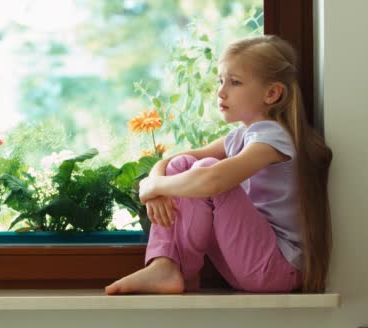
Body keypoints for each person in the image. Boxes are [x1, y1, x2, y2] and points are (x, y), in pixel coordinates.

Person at [105, 35, 333, 295]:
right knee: (184, 163)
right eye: (220, 81)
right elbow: (171, 162)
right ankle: (168, 266)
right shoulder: (239, 137)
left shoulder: (274, 137)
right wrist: (153, 185)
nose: (221, 91)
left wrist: (156, 186)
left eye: (234, 82)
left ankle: (170, 268)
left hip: (276, 269)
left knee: (207, 169)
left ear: (272, 93)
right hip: (246, 266)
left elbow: (213, 181)